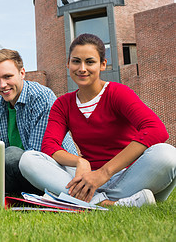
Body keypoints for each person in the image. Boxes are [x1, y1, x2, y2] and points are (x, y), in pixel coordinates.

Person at [20, 33, 176, 207]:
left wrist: (104, 173)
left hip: (128, 175)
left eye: (90, 62)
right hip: (88, 178)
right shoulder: (62, 104)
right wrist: (80, 161)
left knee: (167, 154)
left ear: (103, 64)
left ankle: (89, 201)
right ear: (68, 64)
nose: (82, 68)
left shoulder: (118, 93)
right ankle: (111, 203)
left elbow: (156, 130)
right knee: (28, 159)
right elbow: (49, 146)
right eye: (76, 61)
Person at [0, 49, 78, 195]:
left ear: (22, 73)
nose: (2, 85)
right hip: (18, 168)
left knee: (11, 155)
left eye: (7, 77)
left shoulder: (41, 97)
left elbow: (36, 155)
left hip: (57, 171)